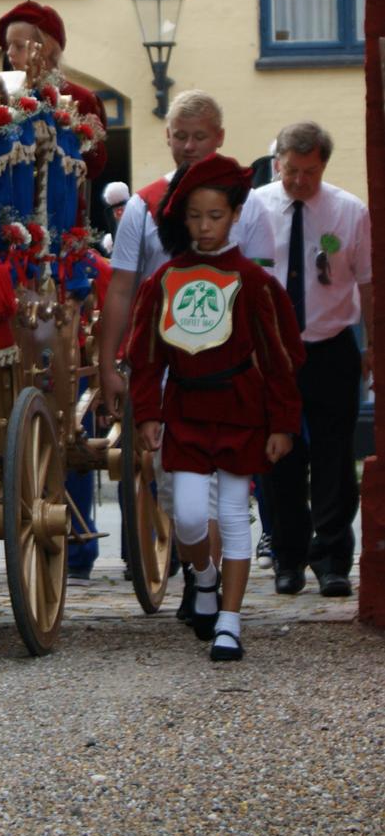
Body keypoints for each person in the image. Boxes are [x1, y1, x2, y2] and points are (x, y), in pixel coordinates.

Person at [96, 90, 274, 615]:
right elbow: (122, 290)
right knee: (175, 490)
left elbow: (264, 294)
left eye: (200, 136)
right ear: (167, 139)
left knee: (222, 490)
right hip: (165, 370)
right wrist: (109, 364)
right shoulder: (144, 208)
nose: (190, 146)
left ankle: (209, 594)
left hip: (233, 371)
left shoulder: (250, 208)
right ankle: (204, 573)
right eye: (180, 136)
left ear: (219, 138)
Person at [128, 155, 303, 661]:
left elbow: (280, 358)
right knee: (185, 517)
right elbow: (143, 355)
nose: (205, 227)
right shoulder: (161, 281)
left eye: (216, 216)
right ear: (182, 220)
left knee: (231, 515)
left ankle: (230, 621)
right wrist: (148, 413)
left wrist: (284, 423)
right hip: (184, 408)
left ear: (235, 216)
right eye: (195, 217)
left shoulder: (254, 282)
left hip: (242, 410)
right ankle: (202, 580)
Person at [252, 121, 372, 598]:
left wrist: (374, 346)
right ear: (278, 161)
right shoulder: (256, 207)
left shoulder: (348, 211)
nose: (299, 180)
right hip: (274, 349)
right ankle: (288, 557)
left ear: (323, 164)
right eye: (291, 170)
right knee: (281, 455)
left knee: (334, 455)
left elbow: (367, 282)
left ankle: (333, 559)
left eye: (310, 171)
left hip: (330, 342)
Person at [0, 0, 108, 179]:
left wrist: (91, 140)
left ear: (46, 48)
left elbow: (94, 167)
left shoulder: (79, 97)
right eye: (7, 46)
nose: (9, 53)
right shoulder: (2, 93)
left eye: (18, 46)